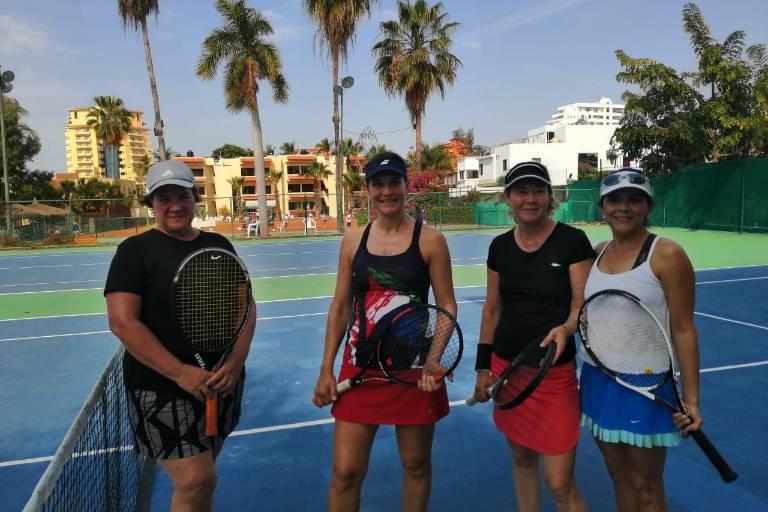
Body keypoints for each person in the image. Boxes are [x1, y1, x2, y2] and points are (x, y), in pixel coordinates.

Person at [105, 160, 256, 512]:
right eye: (163, 199)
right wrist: (180, 372)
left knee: (203, 477)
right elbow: (123, 323)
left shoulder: (218, 244)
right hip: (159, 389)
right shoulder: (134, 252)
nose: (174, 206)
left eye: (181, 196)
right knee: (196, 480)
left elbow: (245, 308)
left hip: (220, 381)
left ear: (194, 198)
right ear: (151, 205)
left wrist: (234, 363)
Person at [312, 151, 457, 512]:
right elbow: (341, 307)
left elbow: (447, 306)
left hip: (413, 371)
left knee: (416, 465)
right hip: (359, 369)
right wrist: (326, 368)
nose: (387, 191)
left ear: (407, 186)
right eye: (379, 183)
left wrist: (434, 361)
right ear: (368, 190)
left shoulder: (431, 241)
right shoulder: (352, 241)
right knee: (345, 472)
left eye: (395, 182)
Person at [471, 162, 593, 512]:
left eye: (538, 191)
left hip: (553, 375)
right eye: (521, 191)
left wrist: (566, 329)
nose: (530, 199)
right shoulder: (499, 248)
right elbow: (492, 310)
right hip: (507, 370)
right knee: (523, 461)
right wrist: (483, 369)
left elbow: (579, 306)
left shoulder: (572, 241)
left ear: (549, 196)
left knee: (559, 482)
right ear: (507, 198)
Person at [580, 168, 702, 510]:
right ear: (602, 206)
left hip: (647, 385)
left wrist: (691, 400)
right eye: (615, 199)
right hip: (597, 381)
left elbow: (684, 328)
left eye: (635, 199)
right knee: (619, 477)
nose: (624, 207)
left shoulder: (666, 255)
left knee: (646, 485)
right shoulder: (598, 252)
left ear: (649, 206)